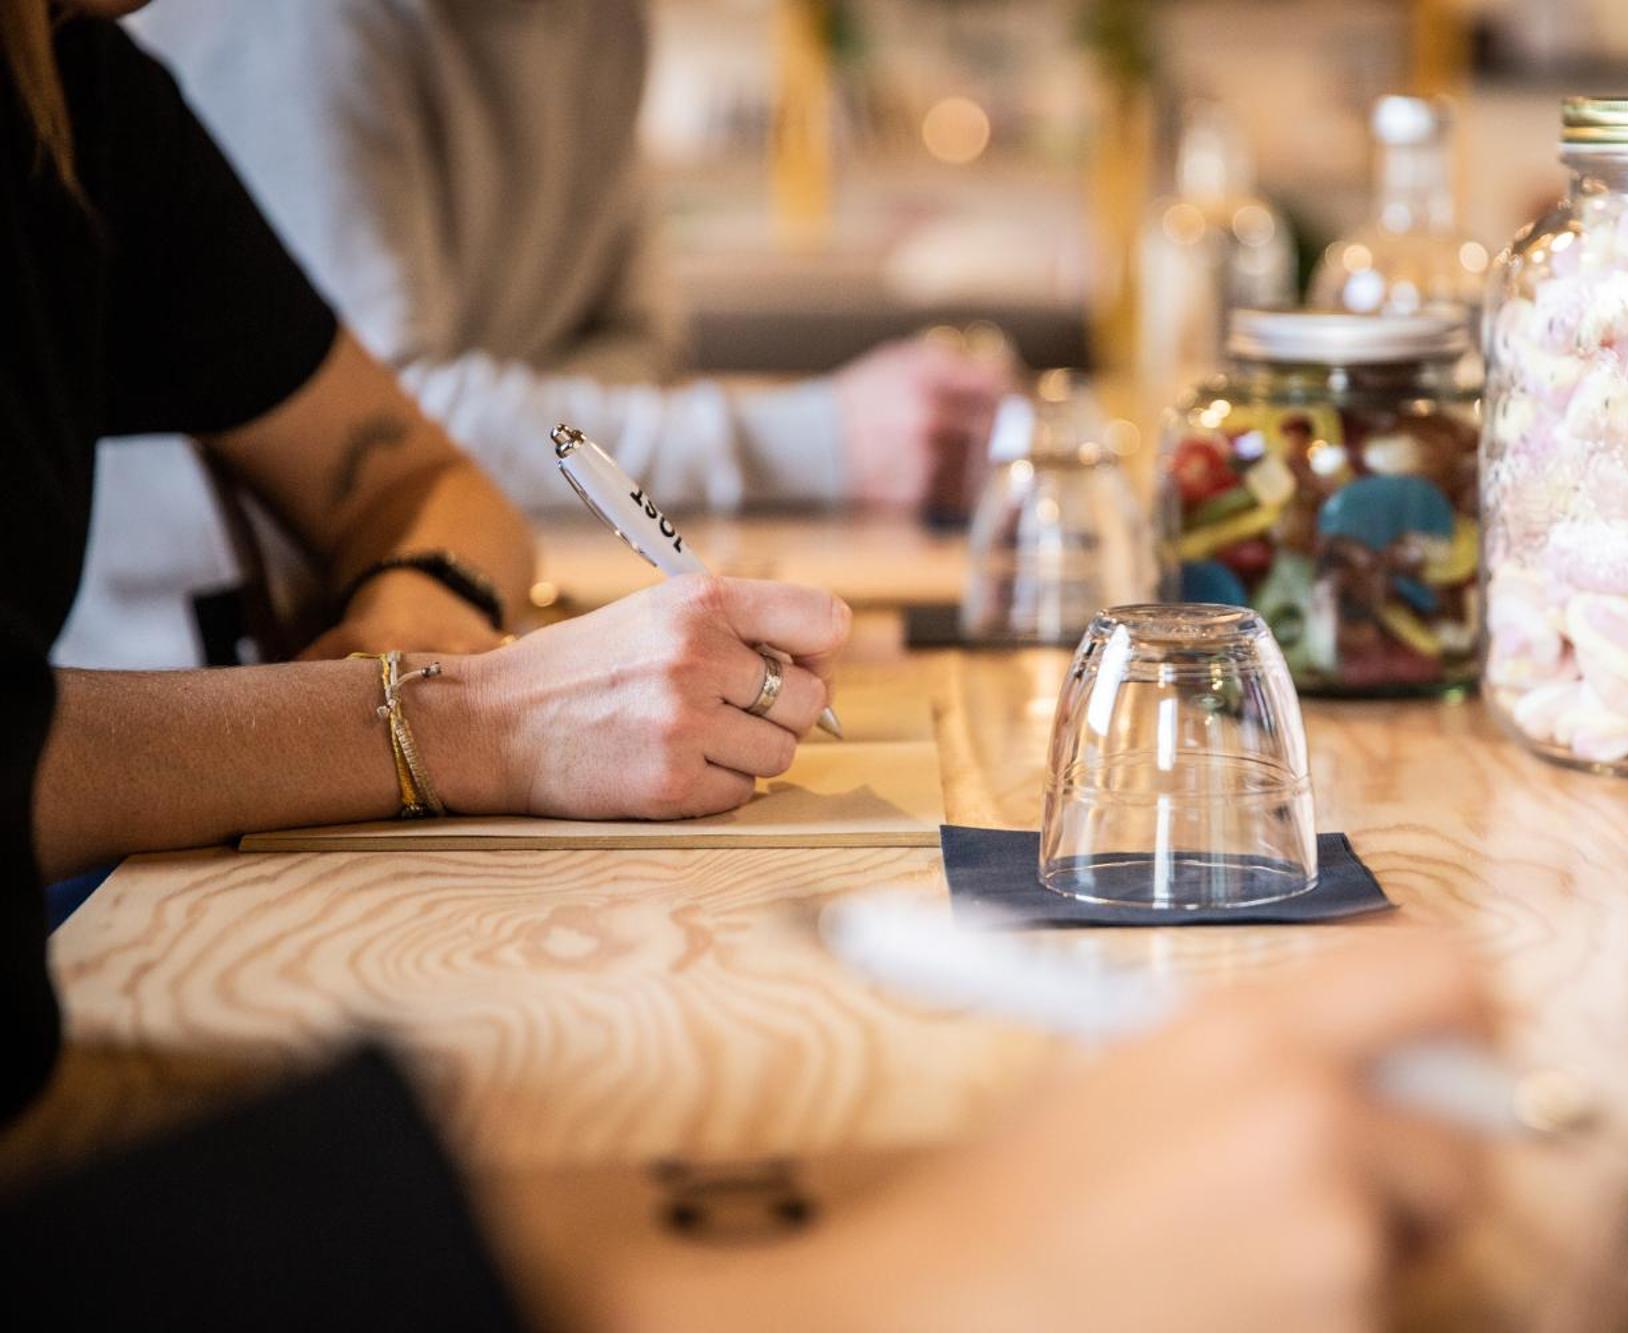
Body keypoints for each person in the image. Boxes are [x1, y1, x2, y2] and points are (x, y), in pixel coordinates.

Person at [0, 7, 1488, 1328]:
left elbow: (427, 473)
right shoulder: (293, 36)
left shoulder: (81, 87)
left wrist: (416, 666)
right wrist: (452, 723)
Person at [54, 0, 1010, 670]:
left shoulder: (602, 20)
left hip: (468, 610)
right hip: (214, 661)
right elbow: (423, 407)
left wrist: (505, 413)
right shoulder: (306, 27)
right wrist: (816, 441)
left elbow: (636, 352)